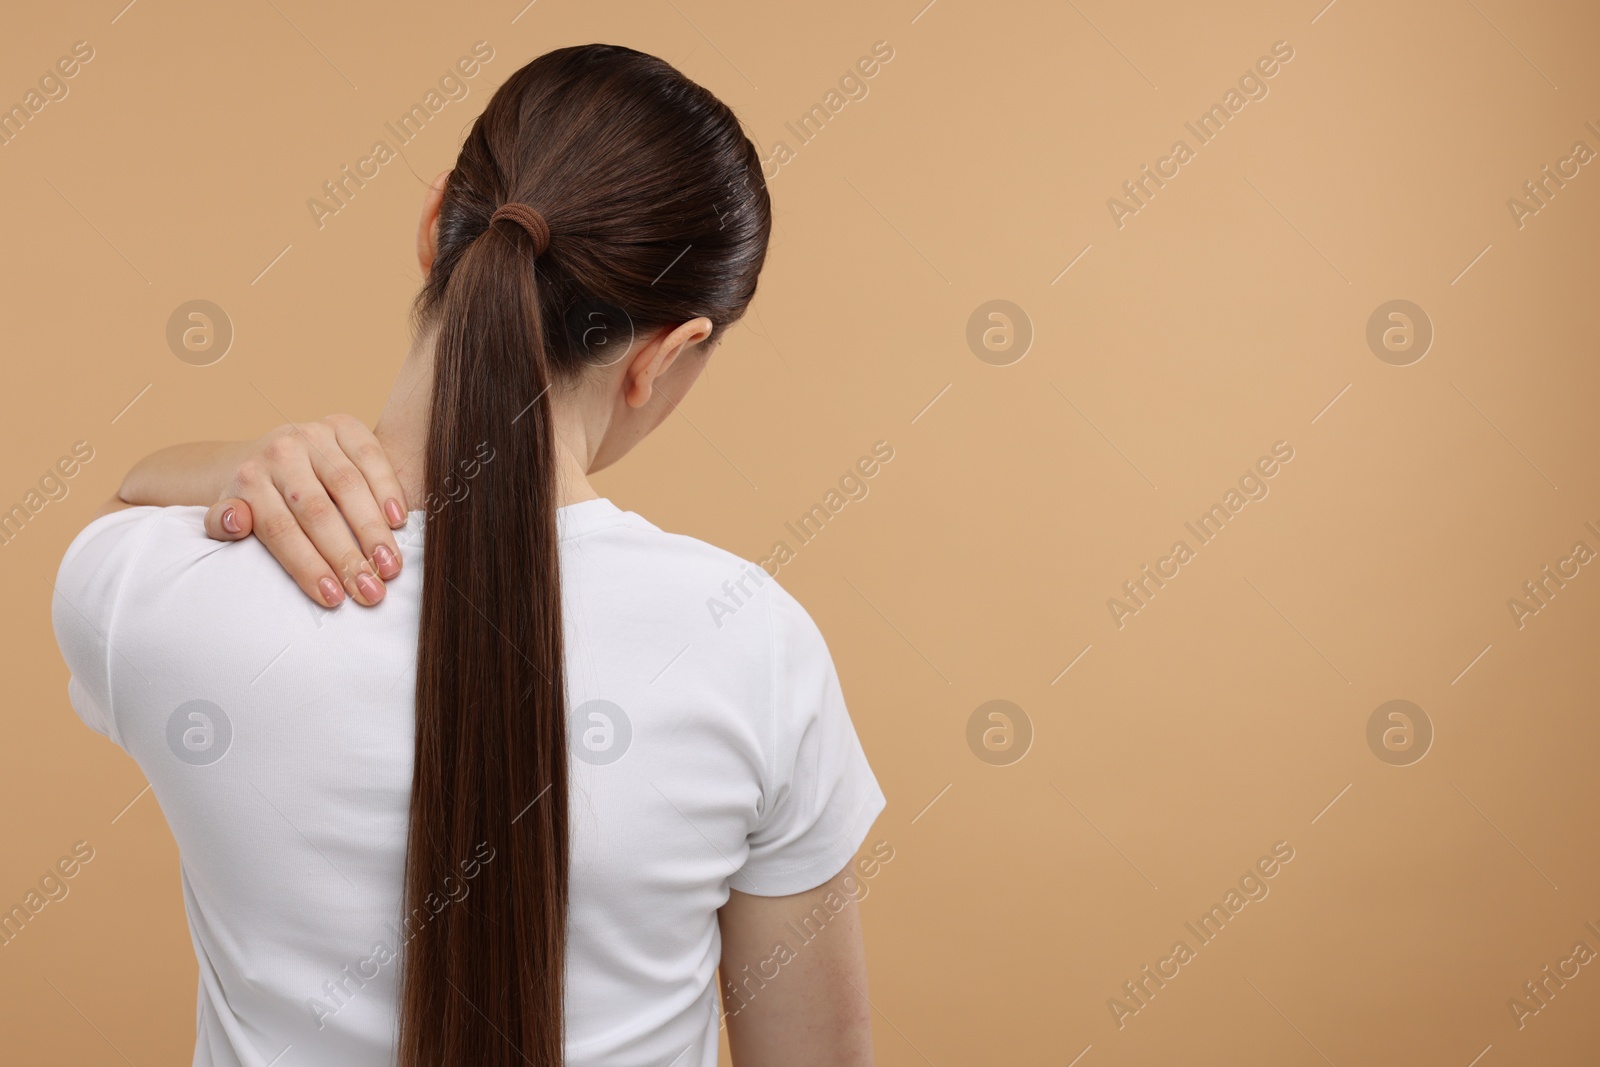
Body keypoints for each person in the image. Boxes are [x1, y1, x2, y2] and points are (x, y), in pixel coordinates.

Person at [52, 43, 885, 1067]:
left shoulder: (162, 593)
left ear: (434, 220)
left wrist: (229, 463)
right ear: (664, 355)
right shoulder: (754, 647)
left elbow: (118, 508)